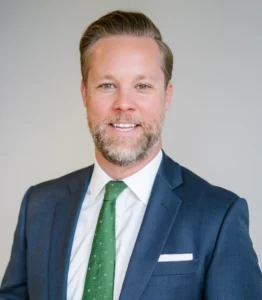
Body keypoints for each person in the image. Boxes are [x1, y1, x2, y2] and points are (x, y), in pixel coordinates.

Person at [0, 10, 261, 300]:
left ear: (167, 96)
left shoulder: (218, 216)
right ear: (85, 94)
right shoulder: (39, 206)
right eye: (107, 85)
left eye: (142, 86)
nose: (124, 104)